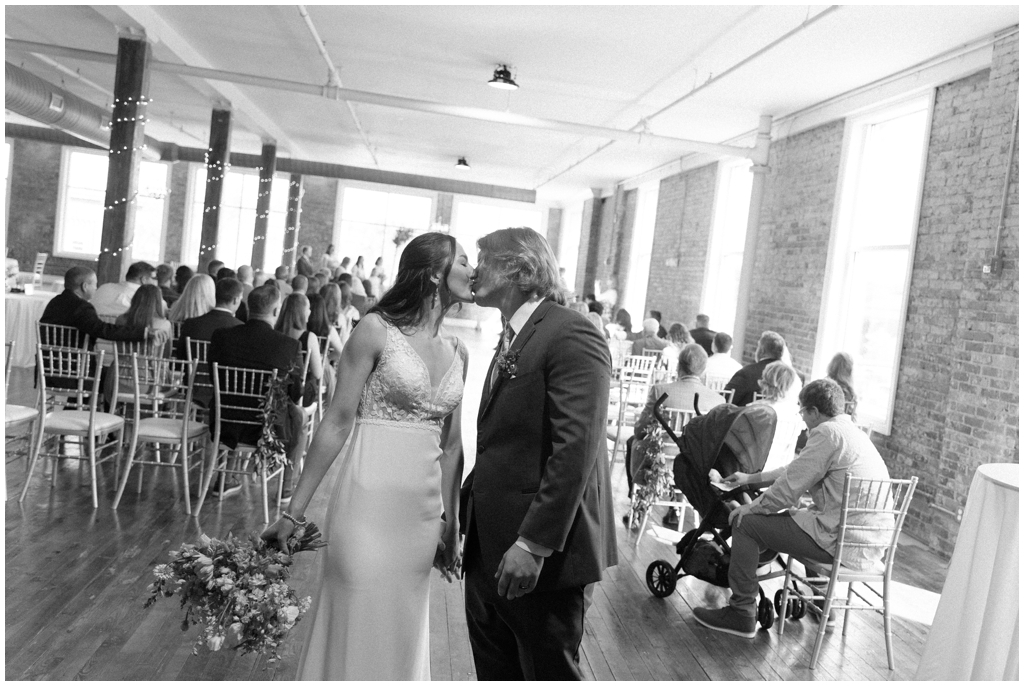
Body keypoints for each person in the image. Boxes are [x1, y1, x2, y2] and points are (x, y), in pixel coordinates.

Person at [261, 233, 473, 679]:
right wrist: (293, 512)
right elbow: (337, 421)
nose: (473, 272)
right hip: (366, 504)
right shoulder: (376, 330)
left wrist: (452, 526)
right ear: (435, 272)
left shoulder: (460, 352)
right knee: (355, 606)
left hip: (420, 512)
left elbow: (453, 446)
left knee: (402, 623)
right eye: (465, 262)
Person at [462, 226, 616, 680]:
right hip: (490, 543)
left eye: (483, 259)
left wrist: (533, 543)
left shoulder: (571, 334)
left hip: (540, 554)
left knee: (546, 670)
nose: (473, 270)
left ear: (520, 269)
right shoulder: (514, 334)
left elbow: (576, 450)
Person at [692, 378, 891, 639]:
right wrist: (750, 479)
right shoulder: (851, 433)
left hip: (840, 542)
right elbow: (795, 471)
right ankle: (823, 605)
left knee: (746, 523)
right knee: (803, 517)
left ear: (814, 412)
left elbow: (788, 489)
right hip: (871, 545)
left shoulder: (826, 433)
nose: (803, 420)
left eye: (803, 411)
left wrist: (750, 510)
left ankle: (741, 613)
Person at [207, 285, 307, 498]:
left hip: (224, 422)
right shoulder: (289, 345)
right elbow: (296, 393)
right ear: (275, 311)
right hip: (266, 430)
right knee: (298, 415)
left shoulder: (221, 336)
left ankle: (224, 479)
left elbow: (212, 377)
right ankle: (286, 488)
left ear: (248, 307)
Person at [625, 344, 727, 503]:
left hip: (659, 462)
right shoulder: (718, 400)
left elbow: (641, 430)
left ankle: (637, 500)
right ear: (703, 369)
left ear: (679, 366)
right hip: (694, 467)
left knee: (633, 441)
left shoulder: (660, 391)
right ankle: (676, 507)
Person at [717, 361, 803, 486]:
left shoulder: (755, 409)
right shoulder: (796, 414)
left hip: (752, 472)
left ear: (765, 381)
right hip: (779, 474)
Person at [39, 266, 149, 353]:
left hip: (46, 362)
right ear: (85, 286)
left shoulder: (55, 302)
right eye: (95, 284)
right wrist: (142, 333)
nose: (96, 288)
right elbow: (103, 330)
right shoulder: (81, 307)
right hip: (74, 364)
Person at [275, 292, 323, 410]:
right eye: (308, 309)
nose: (310, 312)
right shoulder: (309, 337)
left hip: (276, 389)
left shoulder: (274, 333)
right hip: (299, 394)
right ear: (301, 312)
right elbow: (318, 373)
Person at [177, 277, 244, 358]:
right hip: (219, 370)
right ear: (235, 300)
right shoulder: (240, 328)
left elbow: (180, 356)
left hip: (192, 370)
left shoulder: (190, 324)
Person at [724, 330, 786, 407]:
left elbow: (725, 400)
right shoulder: (794, 376)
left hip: (748, 417)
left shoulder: (747, 373)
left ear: (762, 351)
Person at [115, 284, 173, 354]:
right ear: (158, 302)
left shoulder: (121, 319)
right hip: (151, 364)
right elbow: (166, 354)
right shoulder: (165, 324)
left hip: (121, 363)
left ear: (135, 299)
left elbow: (118, 347)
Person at [91, 261, 156, 318]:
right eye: (154, 278)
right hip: (124, 330)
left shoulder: (104, 287)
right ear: (144, 279)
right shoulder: (146, 296)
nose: (155, 282)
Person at [826, 352, 858, 420]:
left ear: (832, 366)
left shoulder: (826, 387)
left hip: (827, 426)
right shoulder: (850, 392)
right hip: (844, 427)